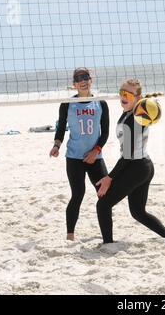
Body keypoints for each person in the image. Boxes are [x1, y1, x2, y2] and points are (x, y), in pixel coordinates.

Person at [95, 79, 165, 244]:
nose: (123, 96)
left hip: (136, 167)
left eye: (128, 94)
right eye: (122, 92)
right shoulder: (132, 113)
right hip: (143, 165)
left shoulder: (135, 119)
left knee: (103, 205)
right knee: (138, 212)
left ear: (138, 98)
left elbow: (128, 155)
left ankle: (108, 244)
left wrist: (109, 178)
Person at [49, 67, 109, 241]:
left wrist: (95, 150)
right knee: (78, 194)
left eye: (85, 77)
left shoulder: (100, 103)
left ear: (91, 80)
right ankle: (70, 236)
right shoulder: (67, 103)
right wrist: (56, 146)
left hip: (95, 157)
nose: (83, 81)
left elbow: (104, 132)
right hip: (74, 157)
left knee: (105, 194)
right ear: (74, 84)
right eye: (78, 78)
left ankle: (107, 235)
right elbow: (61, 129)